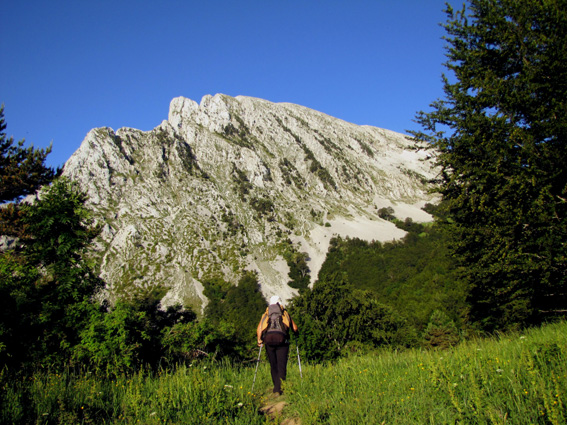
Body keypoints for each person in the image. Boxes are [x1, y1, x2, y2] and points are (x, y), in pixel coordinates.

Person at [256, 295, 299, 395]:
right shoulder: (284, 314)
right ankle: (281, 388)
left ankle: (276, 387)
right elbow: (295, 328)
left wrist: (259, 340)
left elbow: (259, 328)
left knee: (273, 364)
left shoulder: (266, 314)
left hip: (269, 340)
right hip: (282, 340)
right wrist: (296, 334)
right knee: (281, 364)